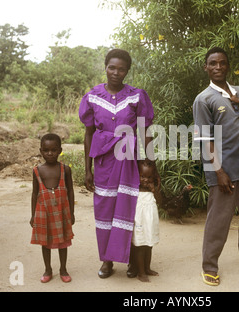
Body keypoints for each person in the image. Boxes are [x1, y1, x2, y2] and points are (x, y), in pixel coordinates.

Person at [79, 49, 159, 279]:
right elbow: (88, 134)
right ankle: (107, 261)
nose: (116, 72)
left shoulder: (136, 96)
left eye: (121, 69)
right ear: (105, 67)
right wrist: (88, 169)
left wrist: (153, 165)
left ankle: (134, 262)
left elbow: (145, 132)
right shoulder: (92, 97)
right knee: (104, 211)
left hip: (128, 161)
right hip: (103, 162)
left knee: (128, 209)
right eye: (111, 67)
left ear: (127, 71)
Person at [193, 47, 239, 287]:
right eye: (212, 63)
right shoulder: (204, 99)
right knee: (219, 220)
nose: (218, 67)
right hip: (225, 171)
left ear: (228, 66)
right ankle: (210, 266)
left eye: (222, 63)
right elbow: (205, 140)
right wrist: (219, 171)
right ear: (206, 67)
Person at [30, 133, 75, 283]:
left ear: (60, 150)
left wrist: (72, 213)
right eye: (46, 150)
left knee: (63, 242)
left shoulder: (65, 170)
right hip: (44, 213)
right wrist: (33, 215)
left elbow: (70, 191)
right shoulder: (37, 170)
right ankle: (48, 269)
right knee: (45, 242)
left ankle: (63, 269)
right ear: (41, 151)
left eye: (54, 150)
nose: (50, 153)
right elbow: (35, 193)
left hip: (62, 212)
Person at [130, 159, 160, 282]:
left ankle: (147, 268)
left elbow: (160, 202)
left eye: (149, 177)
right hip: (140, 222)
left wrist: (154, 189)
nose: (145, 180)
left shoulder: (152, 191)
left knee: (149, 244)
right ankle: (141, 272)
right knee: (140, 245)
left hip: (150, 221)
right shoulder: (135, 191)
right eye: (142, 176)